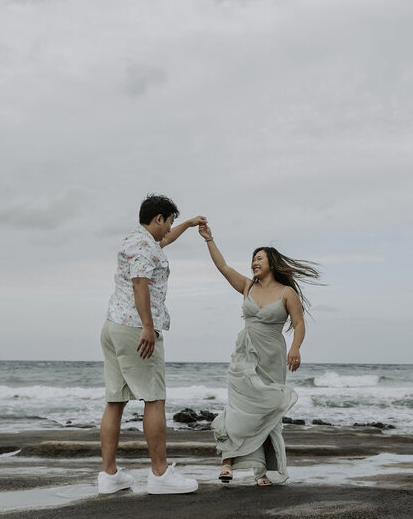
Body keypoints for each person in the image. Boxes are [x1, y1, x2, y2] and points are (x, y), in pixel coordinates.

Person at [198, 221, 321, 485]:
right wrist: (209, 239)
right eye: (253, 259)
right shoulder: (247, 287)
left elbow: (299, 324)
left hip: (273, 357)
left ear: (272, 263)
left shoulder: (287, 293)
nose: (254, 263)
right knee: (238, 409)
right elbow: (223, 267)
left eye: (259, 259)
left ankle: (262, 472)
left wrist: (296, 347)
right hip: (244, 356)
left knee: (267, 412)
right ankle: (227, 461)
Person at [98, 194, 205, 495]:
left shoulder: (135, 239)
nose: (169, 229)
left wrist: (189, 223)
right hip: (136, 328)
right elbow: (140, 282)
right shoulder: (145, 247)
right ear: (158, 219)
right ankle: (159, 475)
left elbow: (165, 241)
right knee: (154, 399)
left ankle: (109, 475)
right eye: (169, 222)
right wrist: (147, 326)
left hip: (113, 326)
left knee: (115, 400)